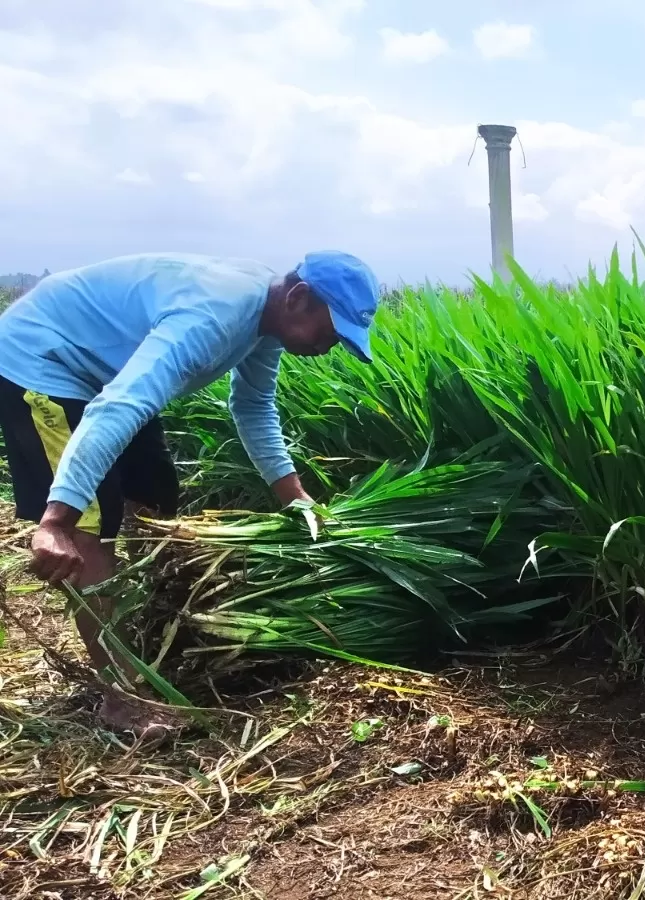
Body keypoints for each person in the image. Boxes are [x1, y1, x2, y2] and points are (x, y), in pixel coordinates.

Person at [0, 250, 381, 740]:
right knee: (93, 520)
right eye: (331, 331)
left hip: (105, 371)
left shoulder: (267, 319)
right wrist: (55, 522)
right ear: (300, 298)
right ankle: (124, 697)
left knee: (155, 495)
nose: (331, 346)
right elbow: (121, 405)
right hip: (42, 359)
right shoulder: (216, 315)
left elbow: (253, 405)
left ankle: (139, 631)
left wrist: (296, 500)